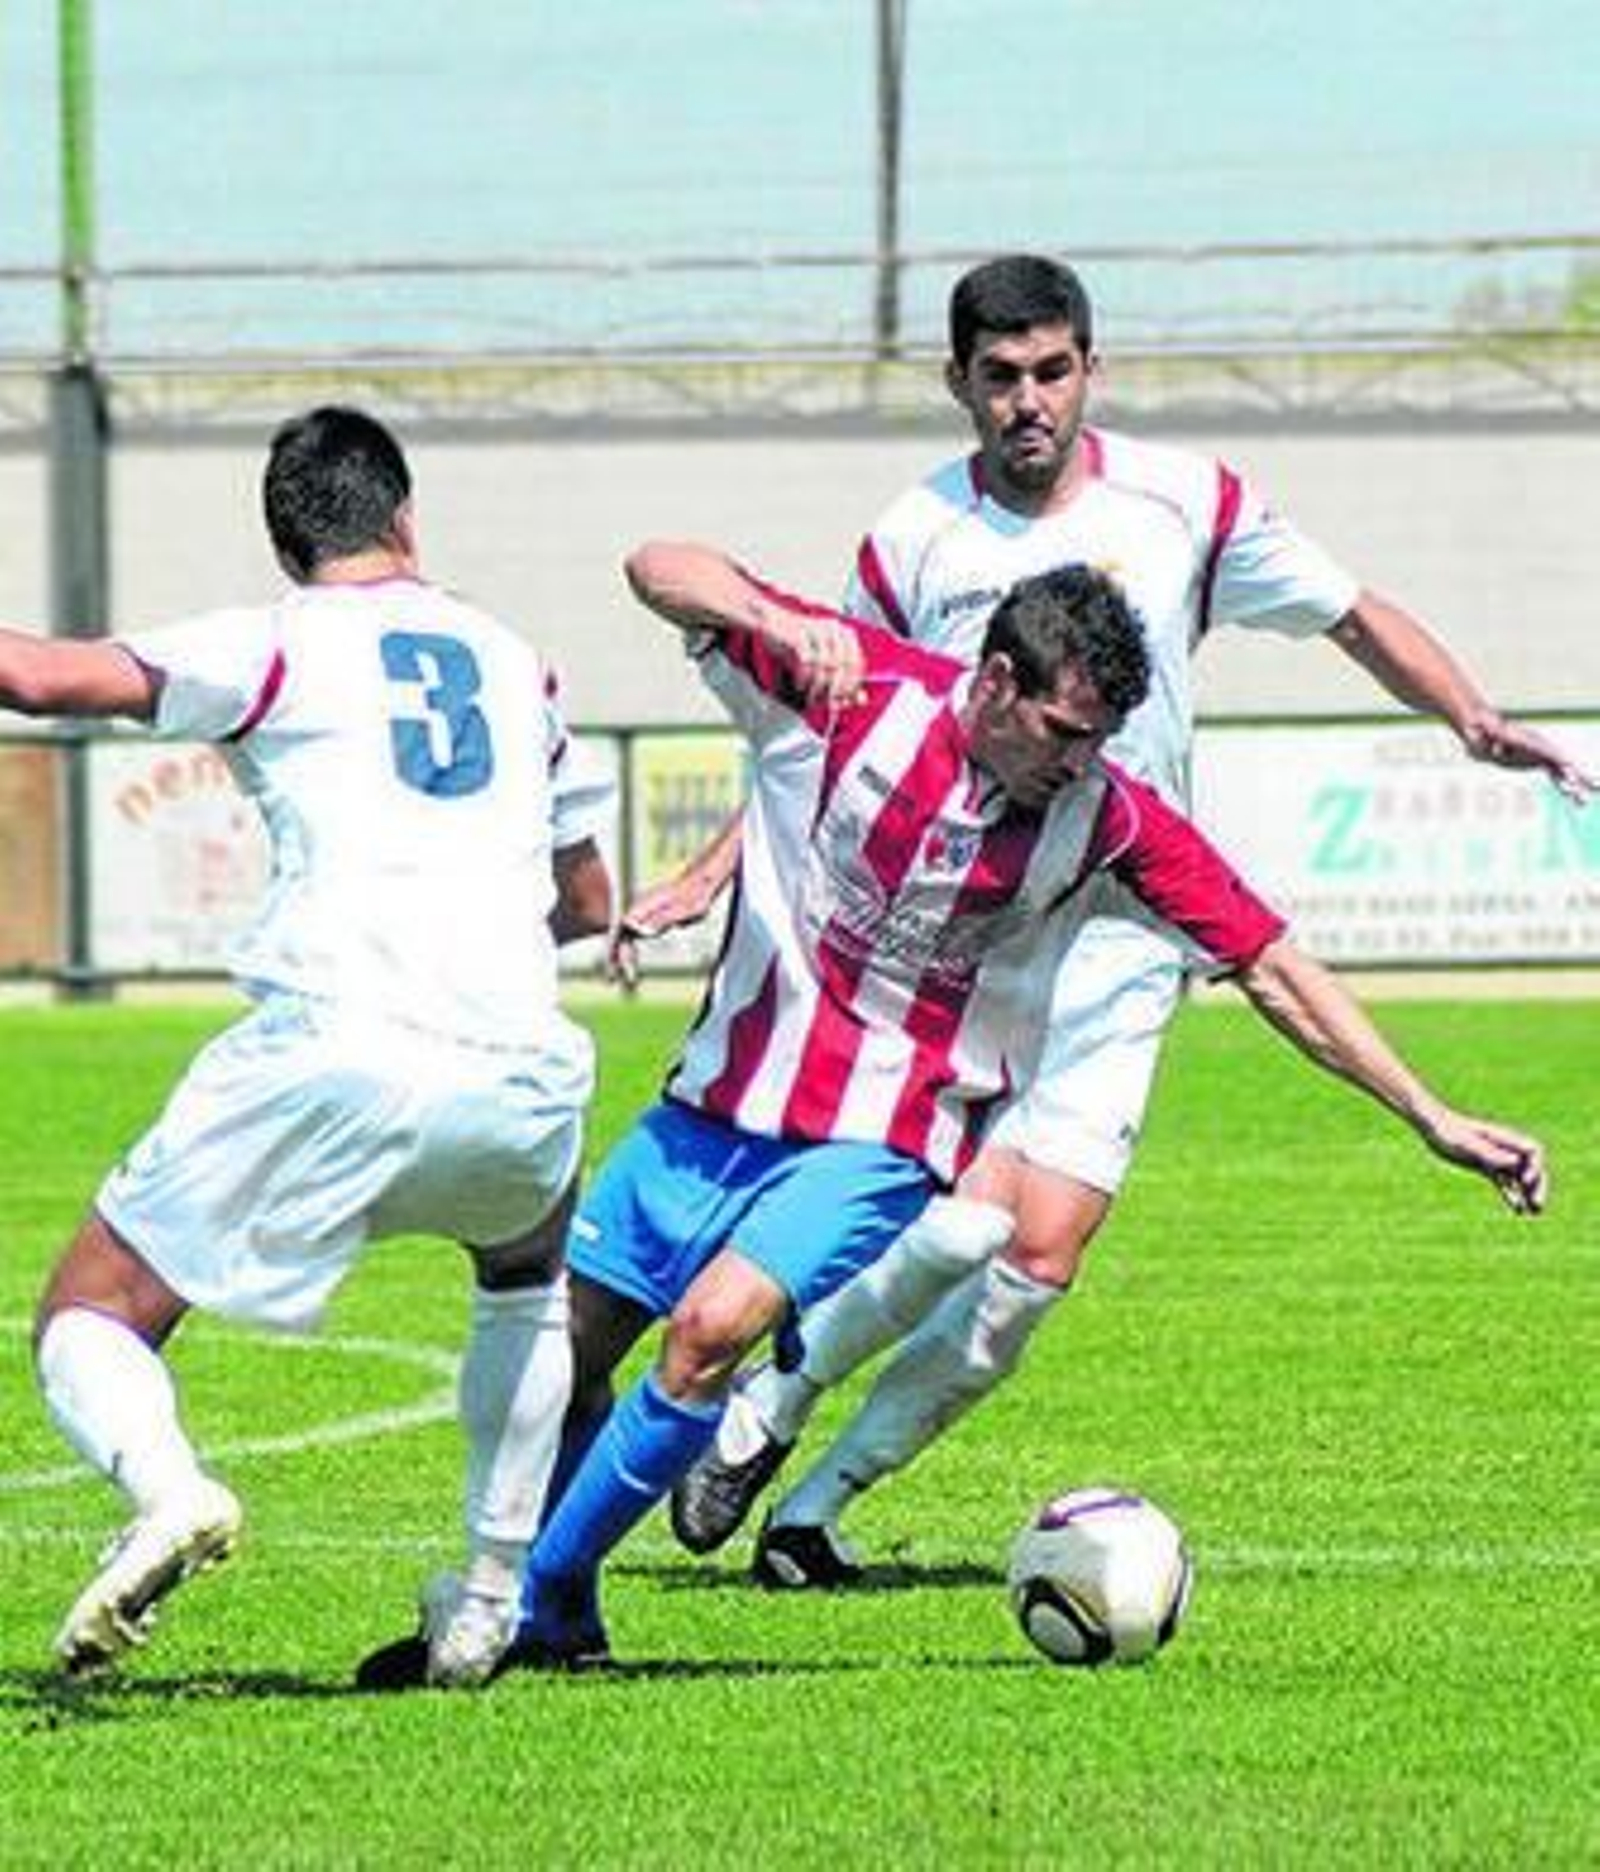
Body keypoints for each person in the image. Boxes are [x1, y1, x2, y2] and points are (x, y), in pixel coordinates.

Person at [359, 540, 1541, 1688]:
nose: (1080, 764)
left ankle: (503, 1609)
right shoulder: (854, 690)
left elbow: (1274, 964)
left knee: (710, 1332)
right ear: (994, 683)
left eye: (1099, 743)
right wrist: (778, 623)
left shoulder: (1109, 821)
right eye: (1065, 734)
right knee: (561, 1361)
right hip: (710, 1104)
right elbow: (656, 566)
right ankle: (562, 1611)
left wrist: (1430, 1115)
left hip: (883, 1138)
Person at [654, 254, 1592, 1588]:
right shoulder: (910, 536)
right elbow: (837, 725)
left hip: (1128, 919)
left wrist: (1470, 714)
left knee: (1038, 1254)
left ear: (1090, 368)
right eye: (1000, 378)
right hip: (959, 931)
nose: (1028, 401)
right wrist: (720, 862)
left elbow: (1349, 612)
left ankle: (813, 1511)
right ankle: (763, 1409)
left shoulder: (1187, 502)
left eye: (1051, 371)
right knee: (959, 1221)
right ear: (959, 384)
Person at [1, 405, 614, 1686]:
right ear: (405, 517)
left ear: (288, 545)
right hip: (524, 1066)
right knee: (522, 1275)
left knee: (87, 1313)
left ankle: (168, 1495)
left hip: (338, 1049)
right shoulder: (517, 660)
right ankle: (488, 1604)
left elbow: (42, 678)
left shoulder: (276, 643)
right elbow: (590, 905)